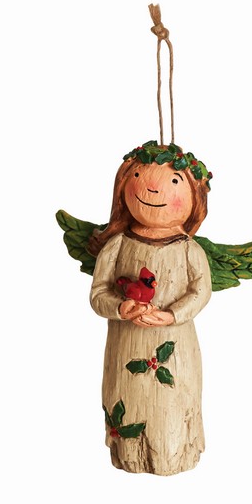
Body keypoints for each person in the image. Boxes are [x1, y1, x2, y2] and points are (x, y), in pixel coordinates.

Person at [89, 142, 212, 475]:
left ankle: (173, 454)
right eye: (139, 176)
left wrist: (172, 315)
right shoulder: (117, 245)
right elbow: (98, 293)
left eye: (173, 181)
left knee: (170, 404)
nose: (153, 188)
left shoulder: (188, 250)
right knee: (129, 401)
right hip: (126, 345)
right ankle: (130, 454)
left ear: (194, 196)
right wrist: (120, 307)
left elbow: (201, 291)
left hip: (175, 346)